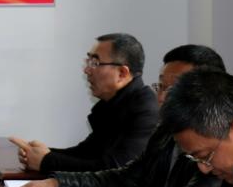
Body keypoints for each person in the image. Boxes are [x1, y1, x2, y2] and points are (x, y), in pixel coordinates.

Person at [13, 45, 224, 187]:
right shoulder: (166, 131)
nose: (161, 98)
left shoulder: (218, 144)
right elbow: (126, 175)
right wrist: (58, 184)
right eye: (161, 87)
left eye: (174, 90)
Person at [10, 33, 157, 173]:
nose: (87, 70)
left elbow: (116, 169)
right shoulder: (112, 104)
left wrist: (46, 161)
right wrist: (41, 153)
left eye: (95, 63)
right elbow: (86, 153)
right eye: (88, 61)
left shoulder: (146, 110)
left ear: (122, 73)